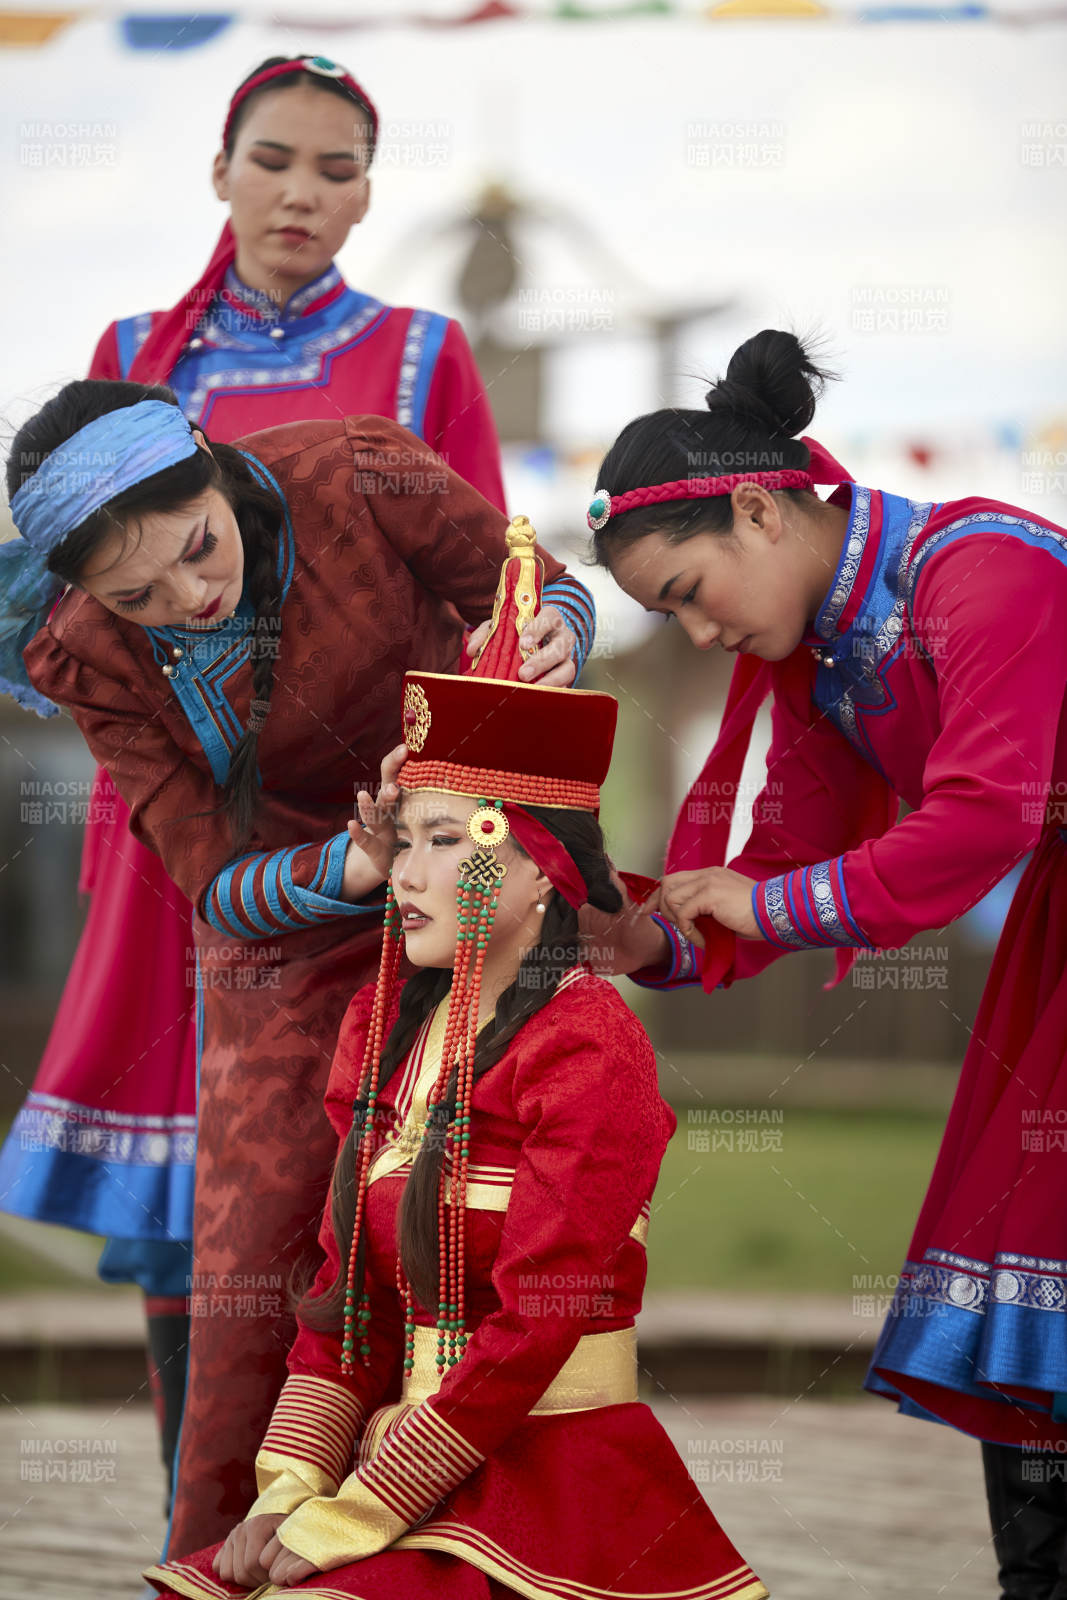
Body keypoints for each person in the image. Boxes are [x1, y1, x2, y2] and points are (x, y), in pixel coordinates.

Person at [0, 50, 593, 1519]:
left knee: (454, 1192)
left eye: (336, 167)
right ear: (219, 172)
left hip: (443, 815)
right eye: (271, 159)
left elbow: (506, 580)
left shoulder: (385, 412)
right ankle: (215, 1531)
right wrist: (337, 865)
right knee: (237, 1214)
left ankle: (438, 1530)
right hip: (244, 868)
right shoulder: (102, 586)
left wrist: (541, 647)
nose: (187, 600)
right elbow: (208, 870)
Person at [143, 517, 769, 1600]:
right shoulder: (384, 1030)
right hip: (399, 1463)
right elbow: (346, 1300)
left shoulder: (589, 1045)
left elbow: (537, 1321)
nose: (405, 876)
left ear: (542, 870)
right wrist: (288, 1491)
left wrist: (361, 1511)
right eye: (406, 841)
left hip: (550, 1477)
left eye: (448, 841)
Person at [582, 328, 1067, 1600]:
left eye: (689, 591)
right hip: (1052, 940)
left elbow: (984, 816)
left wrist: (763, 900)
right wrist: (642, 934)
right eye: (667, 616)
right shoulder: (827, 653)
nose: (696, 633)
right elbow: (785, 866)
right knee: (1029, 1281)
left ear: (756, 509)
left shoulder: (984, 569)